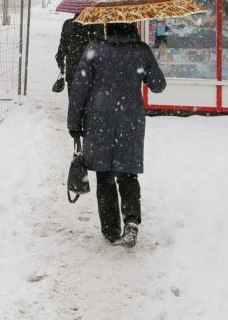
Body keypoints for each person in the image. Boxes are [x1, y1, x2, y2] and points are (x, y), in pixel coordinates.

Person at [67, 22, 167, 247]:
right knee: (128, 173)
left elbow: (79, 88)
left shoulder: (95, 50)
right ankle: (131, 221)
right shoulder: (140, 50)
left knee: (104, 175)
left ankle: (111, 230)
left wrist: (74, 122)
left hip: (98, 118)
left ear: (107, 28)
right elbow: (159, 85)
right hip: (130, 119)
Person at [55, 13, 103, 93]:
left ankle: (73, 105)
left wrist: (60, 61)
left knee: (73, 95)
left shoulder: (69, 24)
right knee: (88, 98)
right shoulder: (94, 25)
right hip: (90, 66)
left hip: (72, 66)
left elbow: (63, 45)